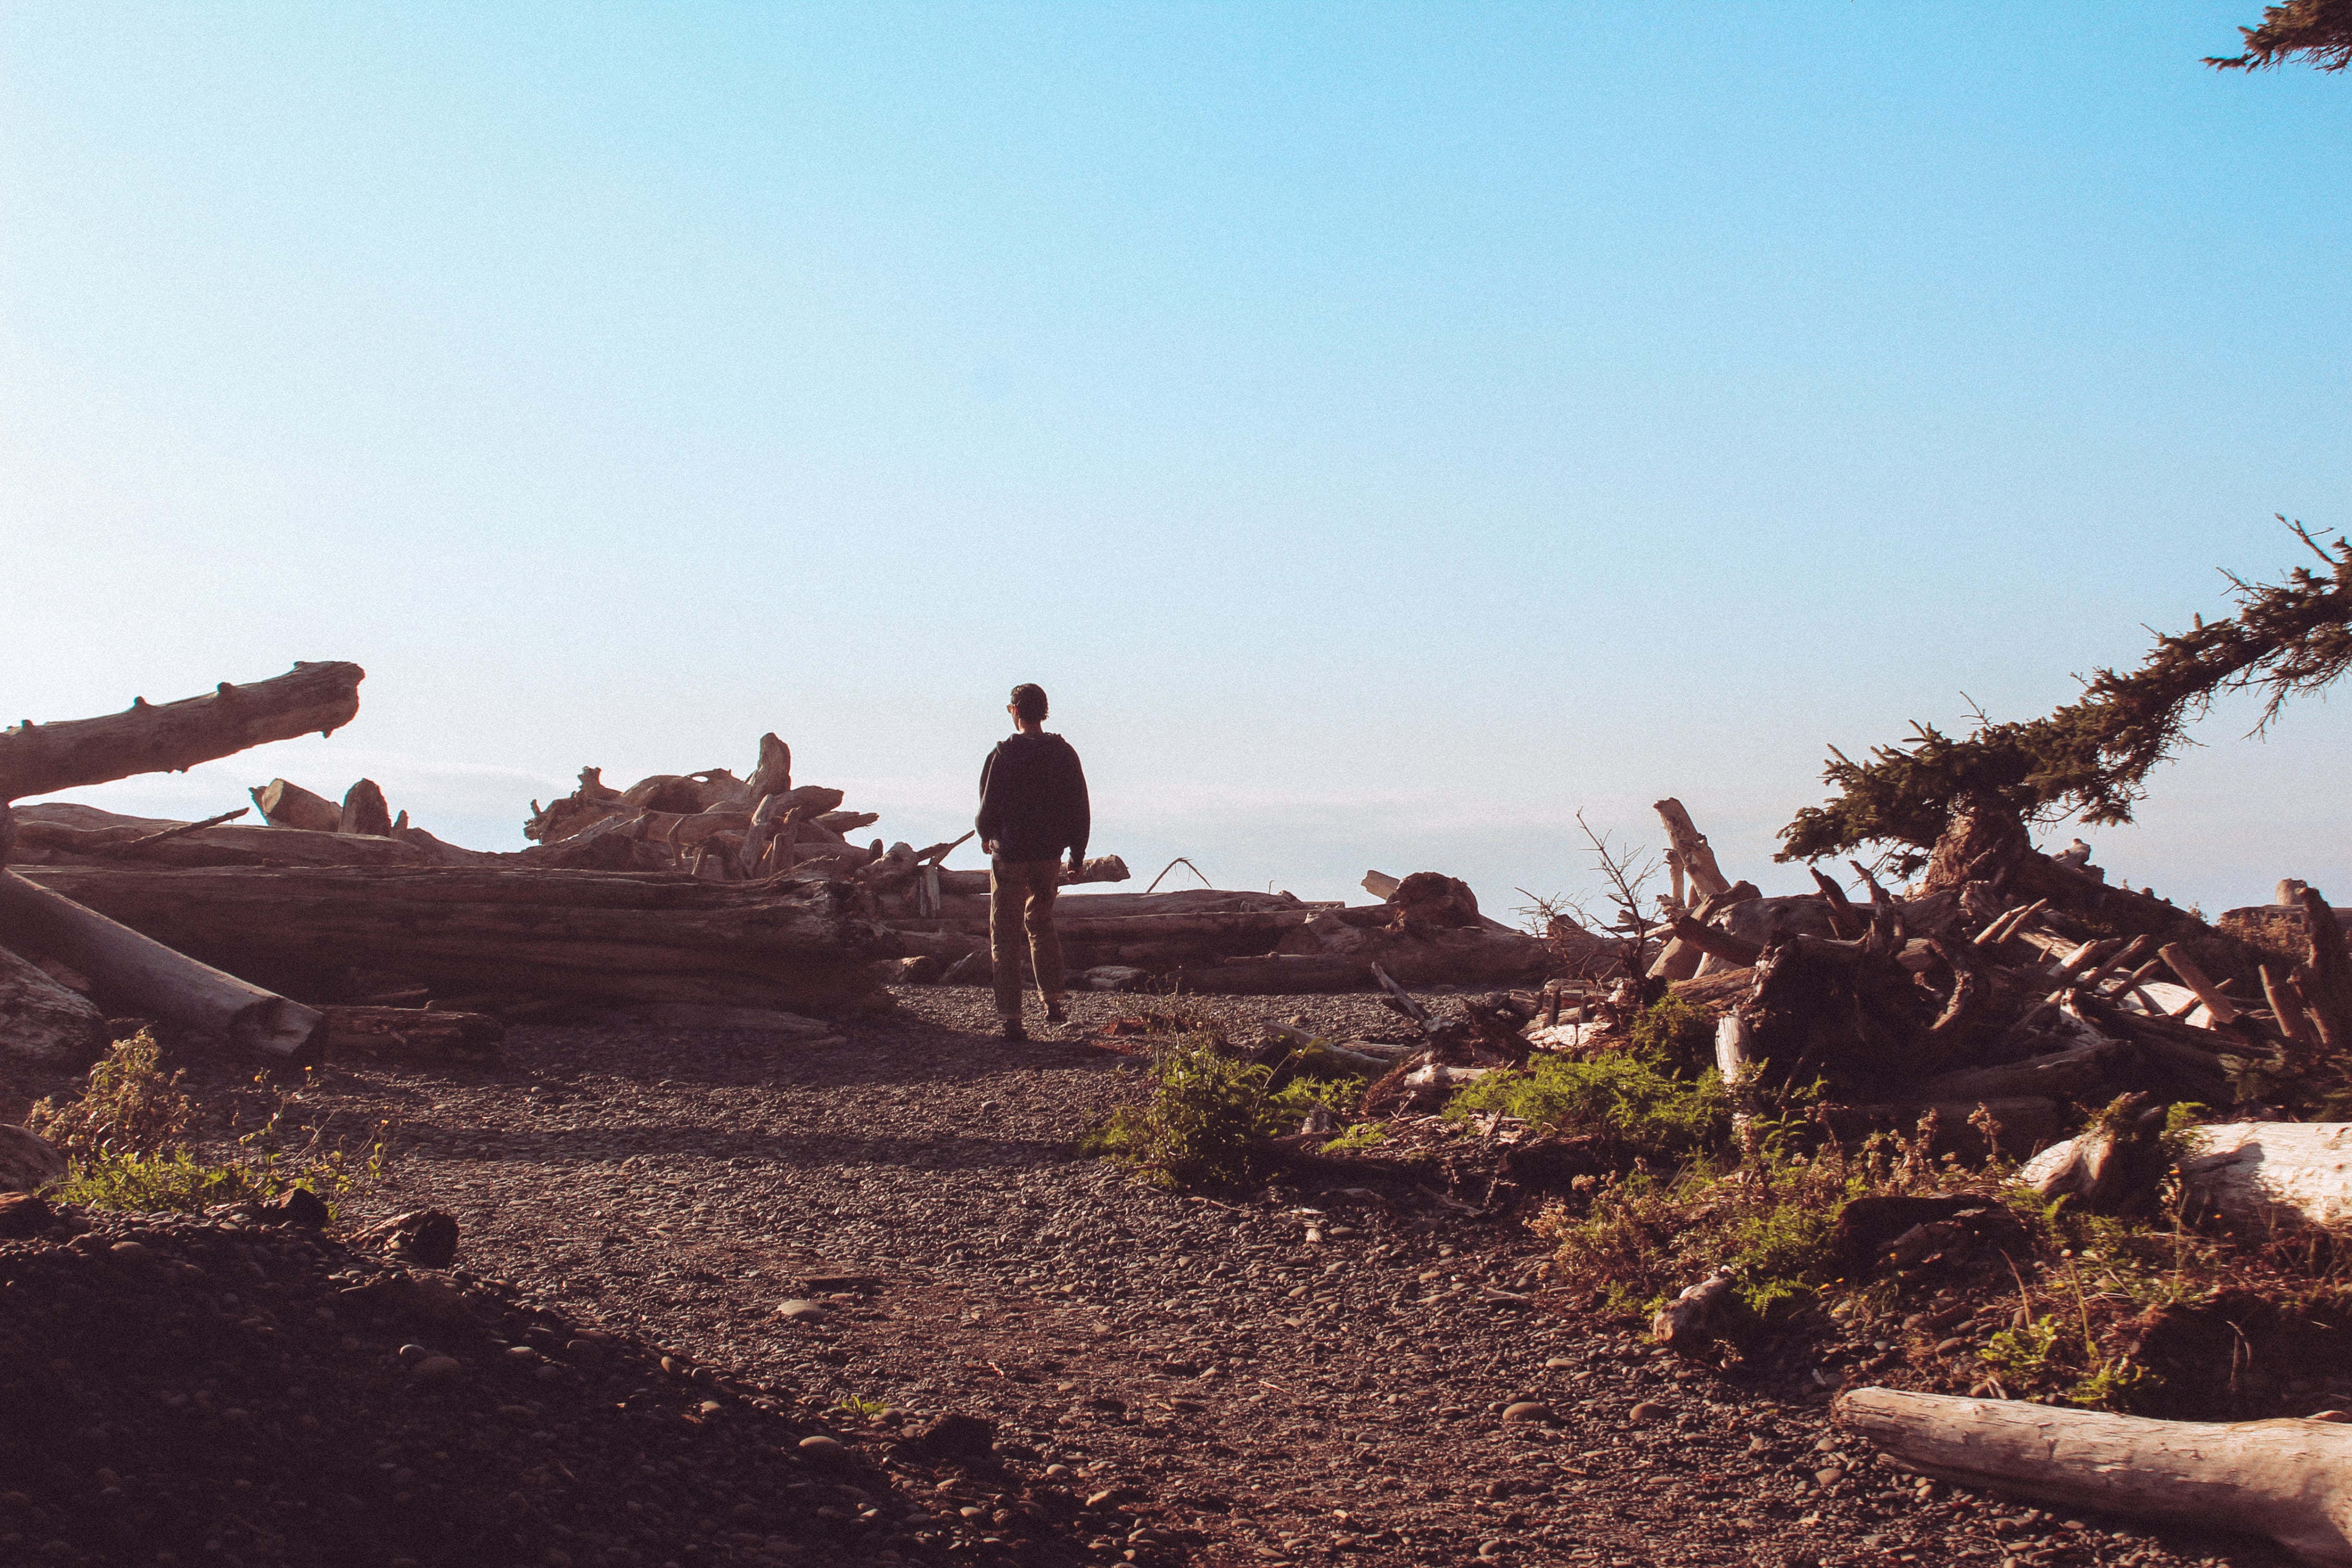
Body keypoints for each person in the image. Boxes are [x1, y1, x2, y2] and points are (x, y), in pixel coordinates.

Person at [975, 683, 1089, 1042]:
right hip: (1048, 855)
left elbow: (987, 808)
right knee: (1040, 923)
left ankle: (1011, 1018)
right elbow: (1079, 807)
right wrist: (1077, 855)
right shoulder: (1064, 754)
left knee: (1005, 935)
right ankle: (1053, 1001)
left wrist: (986, 834)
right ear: (1044, 711)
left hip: (1009, 855)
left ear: (1015, 711)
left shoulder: (1002, 755)